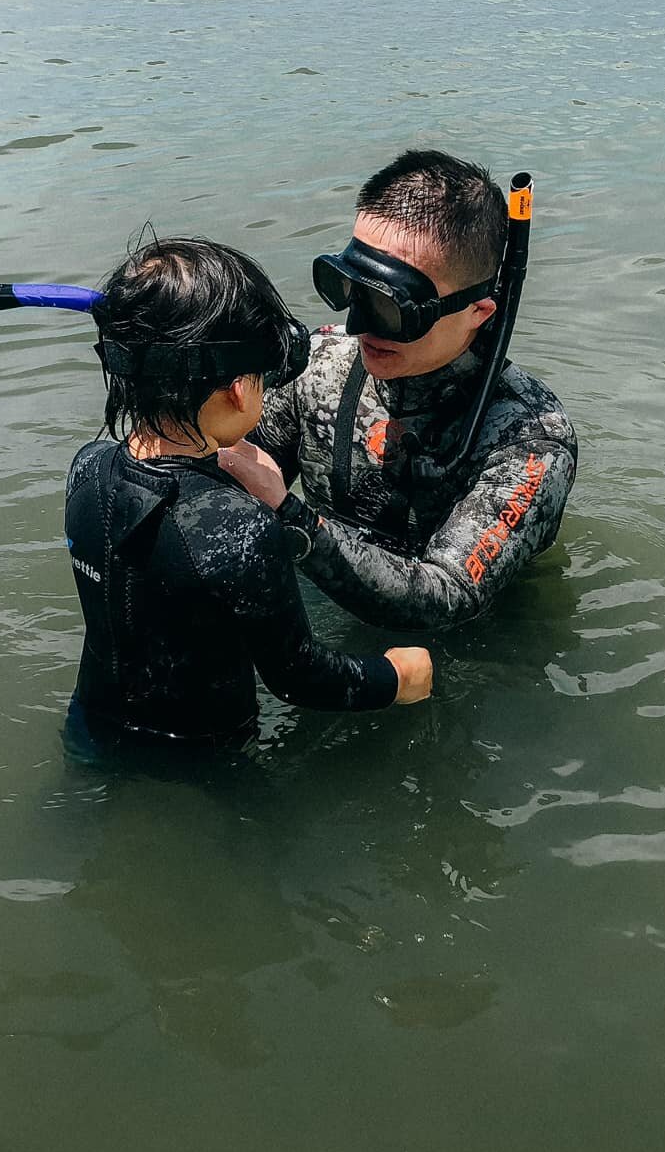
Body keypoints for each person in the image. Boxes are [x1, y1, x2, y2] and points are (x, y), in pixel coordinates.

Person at [63, 236, 433, 756]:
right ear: (239, 388)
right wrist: (395, 676)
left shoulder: (87, 469)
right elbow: (300, 677)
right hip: (206, 758)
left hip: (90, 728)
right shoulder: (240, 528)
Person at [220, 150, 577, 632]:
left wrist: (294, 520)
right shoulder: (320, 365)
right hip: (319, 612)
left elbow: (449, 596)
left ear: (479, 313)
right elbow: (229, 474)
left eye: (391, 308)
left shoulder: (528, 438)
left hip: (463, 653)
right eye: (350, 288)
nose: (358, 325)